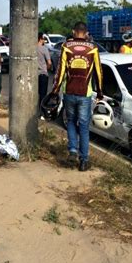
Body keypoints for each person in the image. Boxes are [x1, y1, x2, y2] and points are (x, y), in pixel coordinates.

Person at [52, 22, 103, 172]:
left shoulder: (66, 46)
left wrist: (55, 90)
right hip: (85, 94)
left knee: (71, 123)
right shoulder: (93, 48)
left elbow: (60, 71)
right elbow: (99, 72)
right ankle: (84, 160)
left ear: (74, 31)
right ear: (86, 33)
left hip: (69, 92)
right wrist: (99, 92)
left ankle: (73, 150)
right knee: (84, 127)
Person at [37, 32, 52, 108]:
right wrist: (47, 68)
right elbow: (49, 63)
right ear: (40, 39)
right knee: (42, 94)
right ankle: (41, 110)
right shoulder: (44, 49)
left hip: (34, 74)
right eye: (43, 39)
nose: (44, 41)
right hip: (43, 74)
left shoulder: (31, 49)